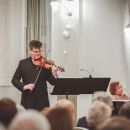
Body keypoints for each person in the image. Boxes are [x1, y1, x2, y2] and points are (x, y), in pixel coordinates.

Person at [11, 40, 58, 111]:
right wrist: (24, 86)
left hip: (43, 101)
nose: (39, 54)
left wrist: (54, 74)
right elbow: (14, 80)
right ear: (30, 51)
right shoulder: (23, 63)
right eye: (36, 51)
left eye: (40, 51)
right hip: (27, 101)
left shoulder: (45, 63)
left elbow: (53, 82)